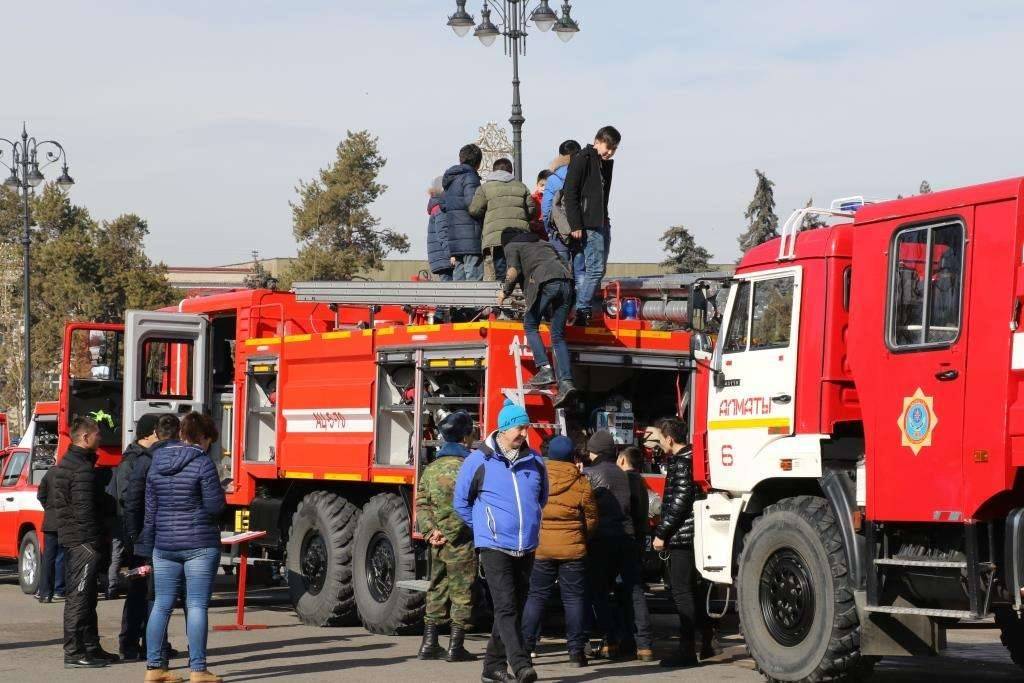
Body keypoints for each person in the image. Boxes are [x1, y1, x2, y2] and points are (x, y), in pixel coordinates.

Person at [453, 400, 547, 683]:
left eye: (526, 427)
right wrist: (484, 528)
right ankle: (520, 664)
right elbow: (461, 503)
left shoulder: (535, 461)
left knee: (513, 608)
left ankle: (491, 668)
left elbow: (541, 498)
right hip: (494, 545)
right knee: (505, 606)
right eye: (519, 427)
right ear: (504, 428)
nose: (524, 433)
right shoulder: (478, 461)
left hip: (526, 545)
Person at [138, 412, 226, 683]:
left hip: (164, 545)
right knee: (197, 604)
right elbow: (215, 507)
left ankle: (154, 667)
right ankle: (198, 669)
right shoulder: (202, 463)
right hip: (200, 542)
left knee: (161, 605)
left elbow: (150, 513)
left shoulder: (155, 463)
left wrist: (147, 545)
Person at [520, 435, 598, 667]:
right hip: (572, 550)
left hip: (542, 548)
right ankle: (576, 653)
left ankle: (526, 648)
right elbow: (592, 517)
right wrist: (582, 536)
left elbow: (527, 509)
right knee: (574, 599)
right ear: (572, 456)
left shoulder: (536, 477)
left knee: (536, 597)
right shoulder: (581, 481)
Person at [51, 416, 118, 669]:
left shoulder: (73, 464)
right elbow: (84, 509)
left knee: (88, 597)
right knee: (79, 597)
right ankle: (73, 651)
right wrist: (92, 542)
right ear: (85, 437)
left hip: (78, 540)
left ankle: (91, 647)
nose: (101, 438)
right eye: (97, 434)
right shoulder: (80, 469)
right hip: (83, 542)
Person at [415, 411, 476, 663]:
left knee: (436, 586)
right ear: (465, 437)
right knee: (462, 590)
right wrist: (453, 532)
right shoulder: (469, 466)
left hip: (437, 540)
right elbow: (472, 504)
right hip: (461, 540)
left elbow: (422, 502)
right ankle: (456, 647)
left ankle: (429, 643)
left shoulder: (431, 468)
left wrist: (432, 532)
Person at [650, 417, 707, 669]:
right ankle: (705, 641)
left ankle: (686, 650)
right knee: (695, 590)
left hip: (683, 536)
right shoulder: (692, 457)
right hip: (694, 533)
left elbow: (680, 500)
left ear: (670, 439)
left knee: (682, 592)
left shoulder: (681, 461)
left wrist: (662, 532)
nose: (659, 443)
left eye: (660, 438)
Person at [496, 228, 576, 405]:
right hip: (567, 283)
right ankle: (566, 382)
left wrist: (504, 292)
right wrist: (573, 303)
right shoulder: (544, 243)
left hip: (546, 282)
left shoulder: (512, 245)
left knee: (531, 325)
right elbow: (565, 265)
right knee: (558, 335)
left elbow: (513, 271)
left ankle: (545, 368)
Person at [582, 429, 637, 660]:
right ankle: (634, 641)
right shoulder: (622, 473)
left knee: (598, 592)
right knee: (625, 590)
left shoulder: (589, 473)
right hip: (624, 537)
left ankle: (608, 639)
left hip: (599, 539)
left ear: (593, 451)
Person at [111, 413, 162, 661]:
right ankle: (129, 643)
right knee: (138, 591)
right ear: (147, 434)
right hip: (137, 537)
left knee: (151, 591)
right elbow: (127, 500)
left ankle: (151, 641)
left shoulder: (148, 458)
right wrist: (134, 535)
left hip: (147, 535)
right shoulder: (131, 462)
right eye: (157, 432)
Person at [563, 126, 621, 327]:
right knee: (595, 269)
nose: (611, 151)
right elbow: (570, 193)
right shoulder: (582, 158)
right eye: (609, 146)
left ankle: (580, 307)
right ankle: (581, 308)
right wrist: (575, 224)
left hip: (602, 221)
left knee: (599, 268)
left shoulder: (603, 164)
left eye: (615, 149)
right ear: (598, 141)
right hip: (589, 223)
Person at [469, 157, 535, 282]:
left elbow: (474, 210)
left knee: (501, 269)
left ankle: (503, 296)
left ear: (494, 171)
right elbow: (531, 210)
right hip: (520, 235)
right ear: (511, 171)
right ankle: (520, 297)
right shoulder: (522, 186)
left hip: (497, 236)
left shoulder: (485, 188)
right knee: (518, 267)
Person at [617, 446, 654, 662]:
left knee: (628, 591)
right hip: (638, 540)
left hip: (625, 540)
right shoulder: (640, 481)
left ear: (622, 460)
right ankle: (643, 645)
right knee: (634, 590)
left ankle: (633, 640)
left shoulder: (625, 481)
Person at [541, 139, 584, 285]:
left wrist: (549, 229)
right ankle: (581, 306)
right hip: (580, 230)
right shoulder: (585, 177)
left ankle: (564, 306)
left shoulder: (553, 179)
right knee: (581, 272)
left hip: (558, 232)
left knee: (561, 273)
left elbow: (546, 208)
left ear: (560, 156)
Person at [443, 143, 484, 282]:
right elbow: (473, 206)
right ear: (478, 163)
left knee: (459, 283)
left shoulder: (451, 179)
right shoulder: (470, 177)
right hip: (471, 238)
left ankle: (460, 305)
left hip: (455, 239)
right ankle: (471, 305)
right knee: (474, 280)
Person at [36, 465, 67, 603]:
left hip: (50, 521)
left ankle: (44, 593)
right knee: (62, 556)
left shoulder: (50, 472)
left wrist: (48, 508)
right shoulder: (72, 472)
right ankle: (59, 590)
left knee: (48, 557)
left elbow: (40, 494)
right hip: (65, 522)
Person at [426, 176, 454, 281]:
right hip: (445, 259)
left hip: (441, 258)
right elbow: (443, 233)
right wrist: (451, 254)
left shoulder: (435, 206)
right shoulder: (440, 207)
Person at [529, 170, 552, 240]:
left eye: (547, 185)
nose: (544, 188)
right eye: (542, 185)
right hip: (536, 232)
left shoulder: (553, 199)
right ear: (537, 185)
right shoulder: (532, 198)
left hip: (549, 231)